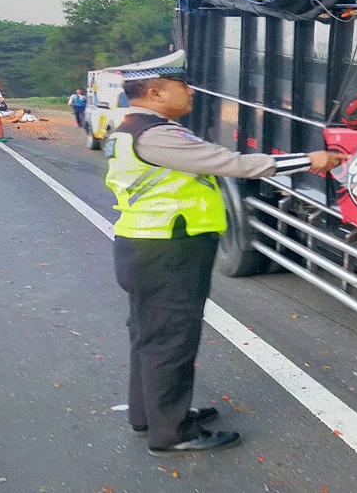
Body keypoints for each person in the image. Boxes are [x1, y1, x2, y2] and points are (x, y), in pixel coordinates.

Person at [104, 51, 344, 456]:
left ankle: (151, 417)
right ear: (156, 91)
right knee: (171, 340)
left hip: (146, 246)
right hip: (168, 250)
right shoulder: (156, 134)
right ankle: (172, 432)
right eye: (182, 85)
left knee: (149, 335)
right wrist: (310, 160)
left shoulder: (129, 126)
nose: (190, 91)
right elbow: (231, 163)